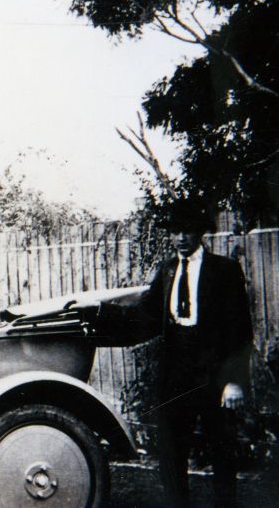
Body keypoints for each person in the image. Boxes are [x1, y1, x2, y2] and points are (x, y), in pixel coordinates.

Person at [101, 201, 253, 506]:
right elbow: (146, 317)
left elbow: (240, 328)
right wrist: (101, 316)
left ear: (200, 233)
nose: (181, 237)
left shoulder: (223, 270)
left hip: (214, 370)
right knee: (171, 451)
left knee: (220, 448)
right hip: (175, 372)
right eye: (175, 232)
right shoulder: (168, 270)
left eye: (187, 231)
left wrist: (234, 381)